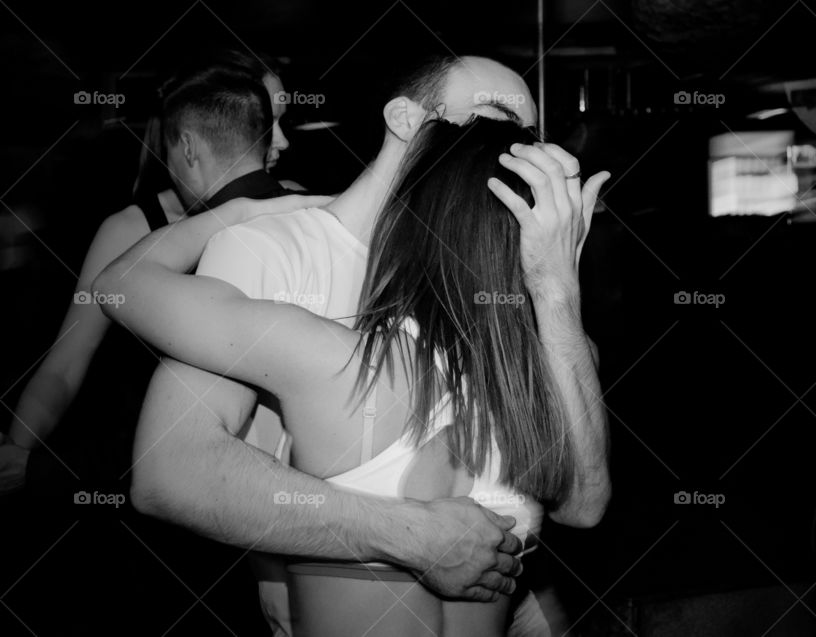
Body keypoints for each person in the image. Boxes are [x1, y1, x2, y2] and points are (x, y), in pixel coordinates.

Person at [129, 55, 610, 636]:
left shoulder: (498, 292)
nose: (517, 148)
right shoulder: (271, 248)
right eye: (493, 115)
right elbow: (173, 471)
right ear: (405, 118)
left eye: (526, 135)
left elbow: (580, 501)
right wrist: (410, 534)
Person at [0, 50, 304, 492]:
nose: (279, 141)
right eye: (266, 123)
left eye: (279, 122)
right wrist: (15, 453)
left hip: (257, 473)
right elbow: (64, 365)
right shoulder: (129, 230)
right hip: (132, 470)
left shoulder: (290, 208)